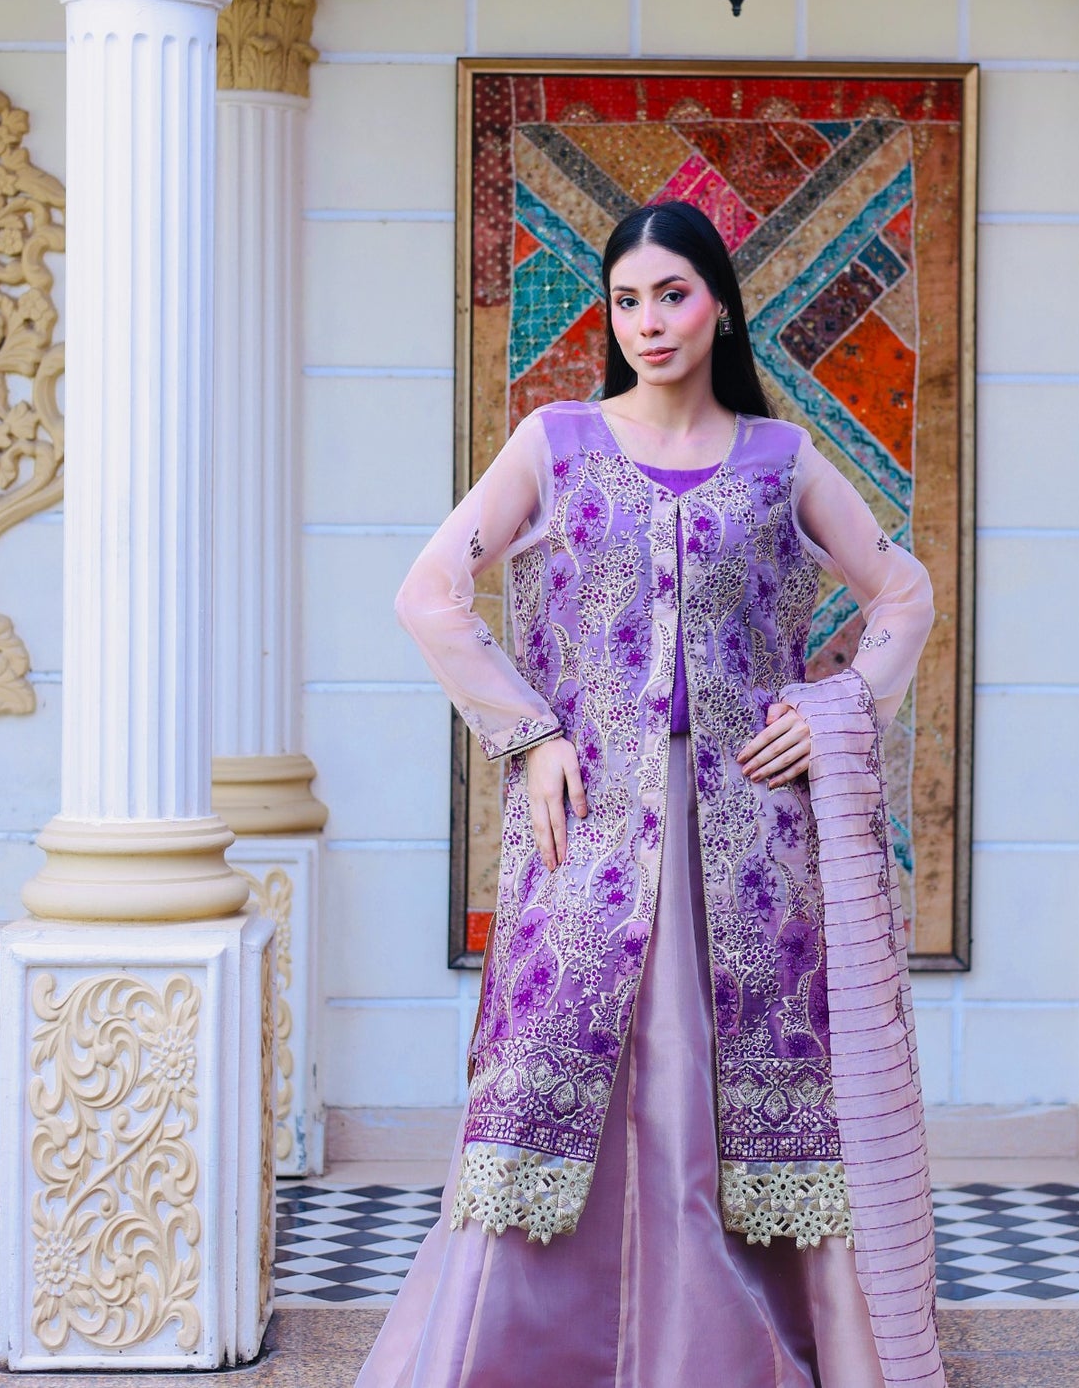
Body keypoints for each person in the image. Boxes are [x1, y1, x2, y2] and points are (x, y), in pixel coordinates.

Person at [354, 201, 944, 1388]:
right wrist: (527, 738)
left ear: (718, 303)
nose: (646, 323)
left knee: (732, 1090)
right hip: (589, 837)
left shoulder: (781, 462)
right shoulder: (557, 442)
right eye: (625, 300)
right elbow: (430, 594)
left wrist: (828, 714)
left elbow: (904, 596)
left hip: (748, 849)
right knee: (550, 1077)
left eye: (669, 295)